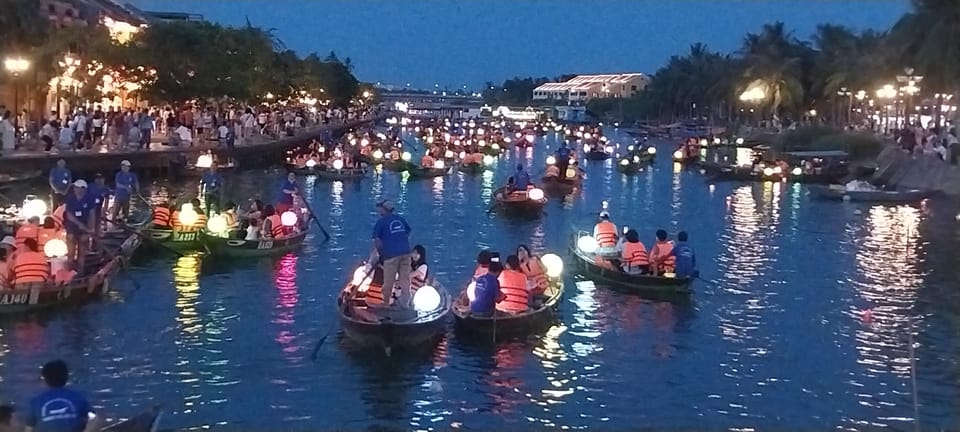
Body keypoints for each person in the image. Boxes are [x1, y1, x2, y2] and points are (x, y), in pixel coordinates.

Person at [24, 360, 99, 432]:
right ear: (66, 378)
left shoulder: (35, 402)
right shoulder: (77, 397)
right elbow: (95, 418)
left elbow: (28, 429)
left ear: (45, 380)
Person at [372, 199, 412, 308]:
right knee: (405, 279)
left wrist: (381, 254)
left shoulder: (381, 222)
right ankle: (406, 304)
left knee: (388, 280)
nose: (378, 210)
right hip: (406, 253)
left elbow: (377, 240)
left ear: (384, 209)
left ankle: (385, 303)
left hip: (391, 255)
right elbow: (407, 232)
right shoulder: (400, 219)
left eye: (380, 208)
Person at [64, 180, 96, 273]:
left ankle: (80, 272)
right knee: (71, 253)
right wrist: (80, 225)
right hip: (72, 228)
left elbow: (92, 214)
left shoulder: (89, 199)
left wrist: (91, 228)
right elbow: (69, 215)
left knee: (82, 253)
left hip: (85, 228)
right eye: (75, 187)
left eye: (78, 188)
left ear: (84, 189)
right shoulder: (70, 198)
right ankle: (69, 273)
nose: (76, 189)